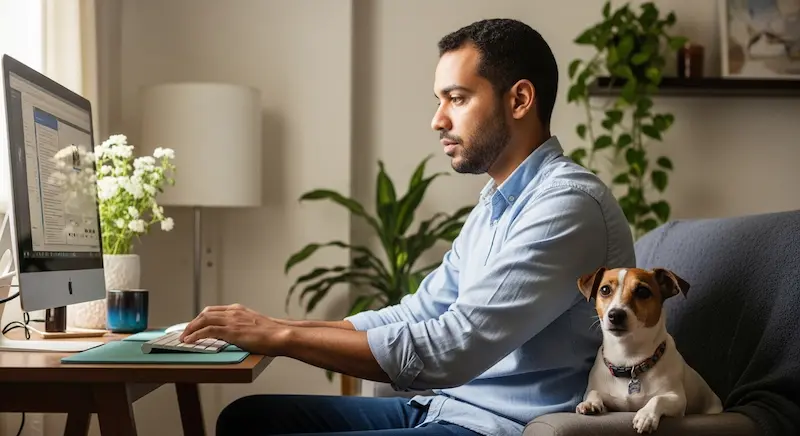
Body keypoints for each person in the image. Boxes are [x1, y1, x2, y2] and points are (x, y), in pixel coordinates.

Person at [180, 18, 635, 436]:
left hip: (499, 426)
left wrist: (281, 337)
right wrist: (273, 325)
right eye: (439, 101)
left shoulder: (567, 205)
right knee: (249, 419)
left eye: (457, 98)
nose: (438, 119)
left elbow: (452, 348)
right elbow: (419, 311)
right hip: (445, 409)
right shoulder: (496, 204)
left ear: (519, 100)